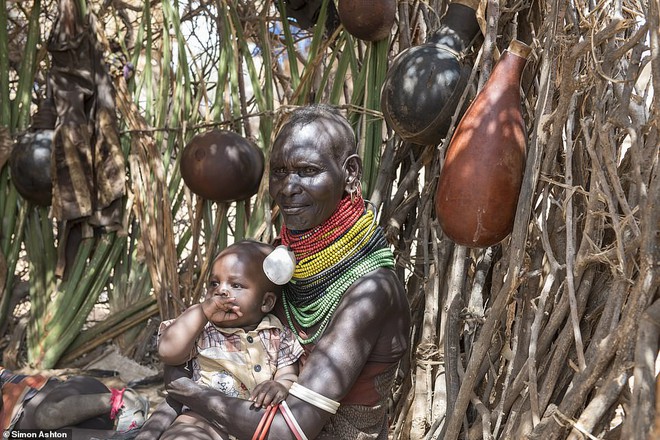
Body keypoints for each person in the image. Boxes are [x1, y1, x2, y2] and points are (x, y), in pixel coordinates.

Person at [164, 104, 412, 439]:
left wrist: (189, 392)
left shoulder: (371, 291)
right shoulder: (275, 267)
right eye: (279, 172)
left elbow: (288, 430)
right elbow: (193, 359)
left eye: (307, 170)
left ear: (350, 173)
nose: (288, 187)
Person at [137, 240, 304, 440]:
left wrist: (280, 385)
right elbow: (168, 352)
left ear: (266, 302)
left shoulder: (277, 334)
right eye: (214, 283)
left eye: (236, 285)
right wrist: (201, 312)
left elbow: (288, 374)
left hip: (249, 424)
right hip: (201, 421)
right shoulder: (202, 327)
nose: (221, 291)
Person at [1, 366, 149, 439]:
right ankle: (126, 436)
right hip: (80, 430)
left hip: (80, 401)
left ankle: (124, 401)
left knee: (46, 416)